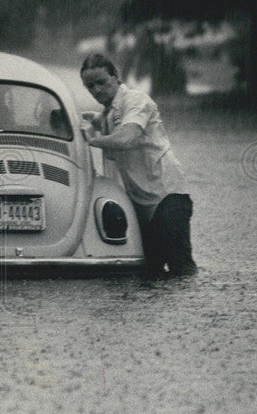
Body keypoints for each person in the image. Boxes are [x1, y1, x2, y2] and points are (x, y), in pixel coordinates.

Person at [79, 53, 196, 278]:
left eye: (101, 82)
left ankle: (192, 306)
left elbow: (126, 138)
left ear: (116, 78)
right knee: (149, 270)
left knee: (180, 268)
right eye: (90, 86)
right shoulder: (108, 113)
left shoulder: (136, 100)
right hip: (141, 202)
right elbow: (106, 121)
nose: (97, 90)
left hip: (167, 195)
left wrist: (90, 140)